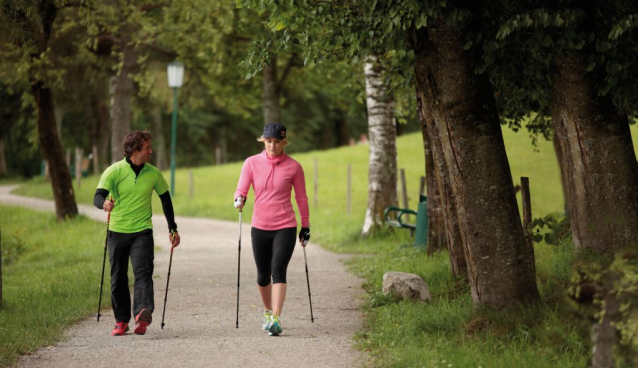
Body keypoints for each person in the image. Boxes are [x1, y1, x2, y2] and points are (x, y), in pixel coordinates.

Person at [93, 130, 181, 336]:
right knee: (118, 278)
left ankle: (142, 313)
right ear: (134, 150)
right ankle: (121, 321)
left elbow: (166, 200)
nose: (151, 151)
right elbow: (98, 196)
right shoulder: (114, 171)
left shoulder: (153, 173)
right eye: (147, 148)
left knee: (143, 272)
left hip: (142, 231)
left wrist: (173, 228)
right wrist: (103, 204)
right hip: (117, 231)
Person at [234, 123, 311, 336]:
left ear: (284, 143)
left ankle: (276, 318)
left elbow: (301, 198)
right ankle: (267, 311)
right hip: (260, 226)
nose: (272, 145)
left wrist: (305, 226)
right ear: (263, 141)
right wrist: (239, 199)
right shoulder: (251, 163)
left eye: (277, 142)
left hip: (285, 225)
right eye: (269, 141)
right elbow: (242, 188)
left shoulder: (294, 167)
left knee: (278, 269)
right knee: (262, 275)